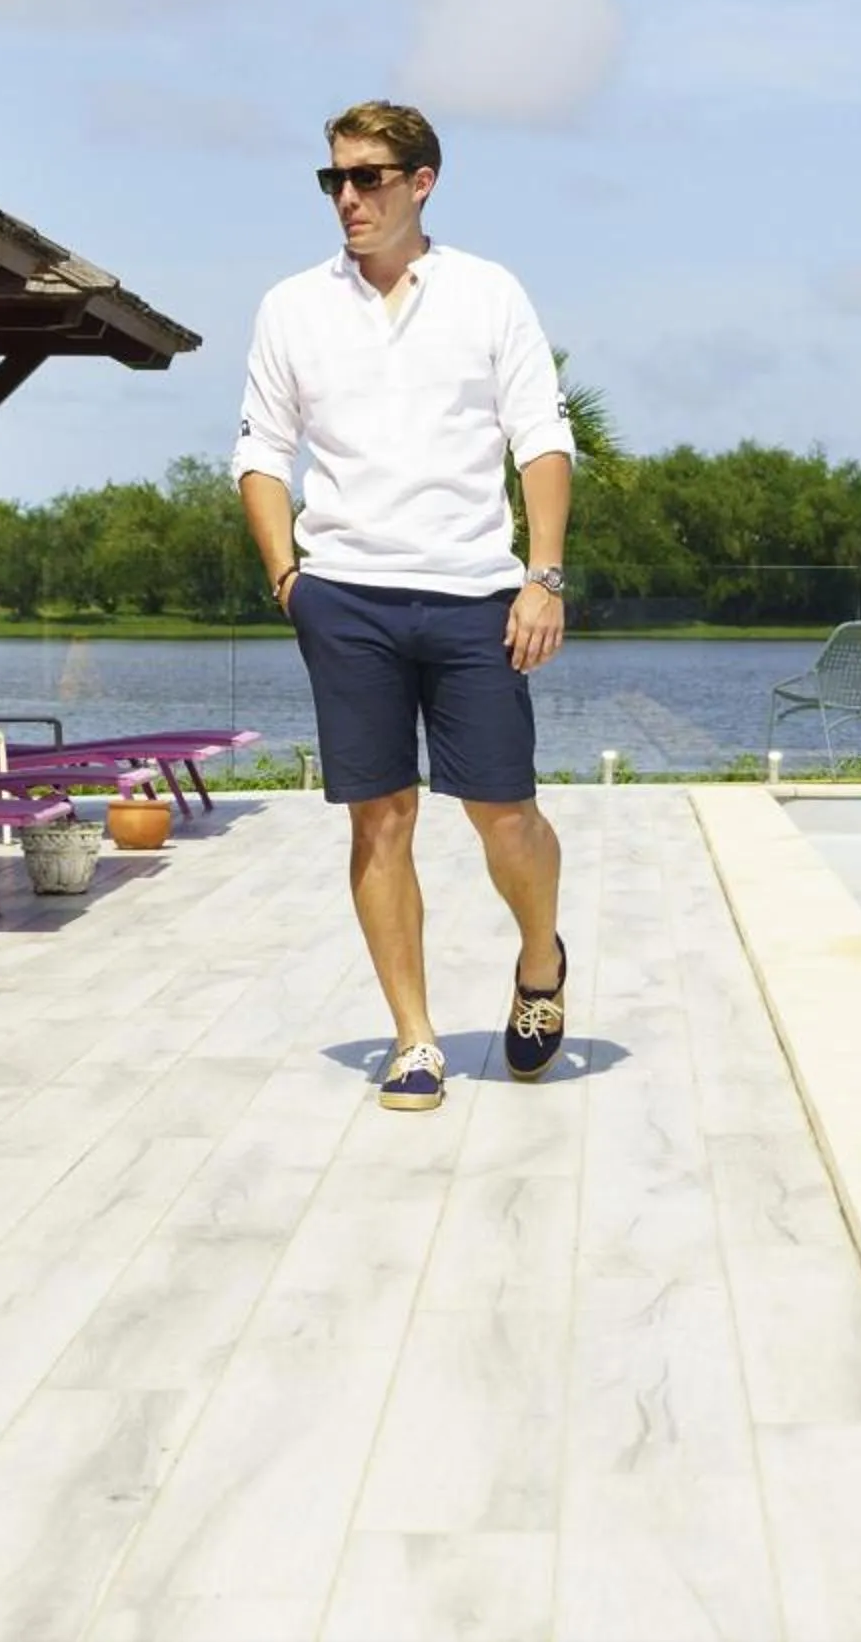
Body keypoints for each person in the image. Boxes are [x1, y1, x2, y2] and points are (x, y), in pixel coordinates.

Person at [233, 100, 575, 1112]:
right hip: (345, 596)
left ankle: (541, 960)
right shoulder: (291, 307)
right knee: (379, 819)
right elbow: (260, 451)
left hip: (475, 594)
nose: (348, 196)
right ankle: (415, 1037)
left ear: (422, 182)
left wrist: (544, 576)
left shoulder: (488, 293)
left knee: (504, 816)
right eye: (334, 178)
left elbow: (541, 438)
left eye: (368, 177)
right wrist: (288, 578)